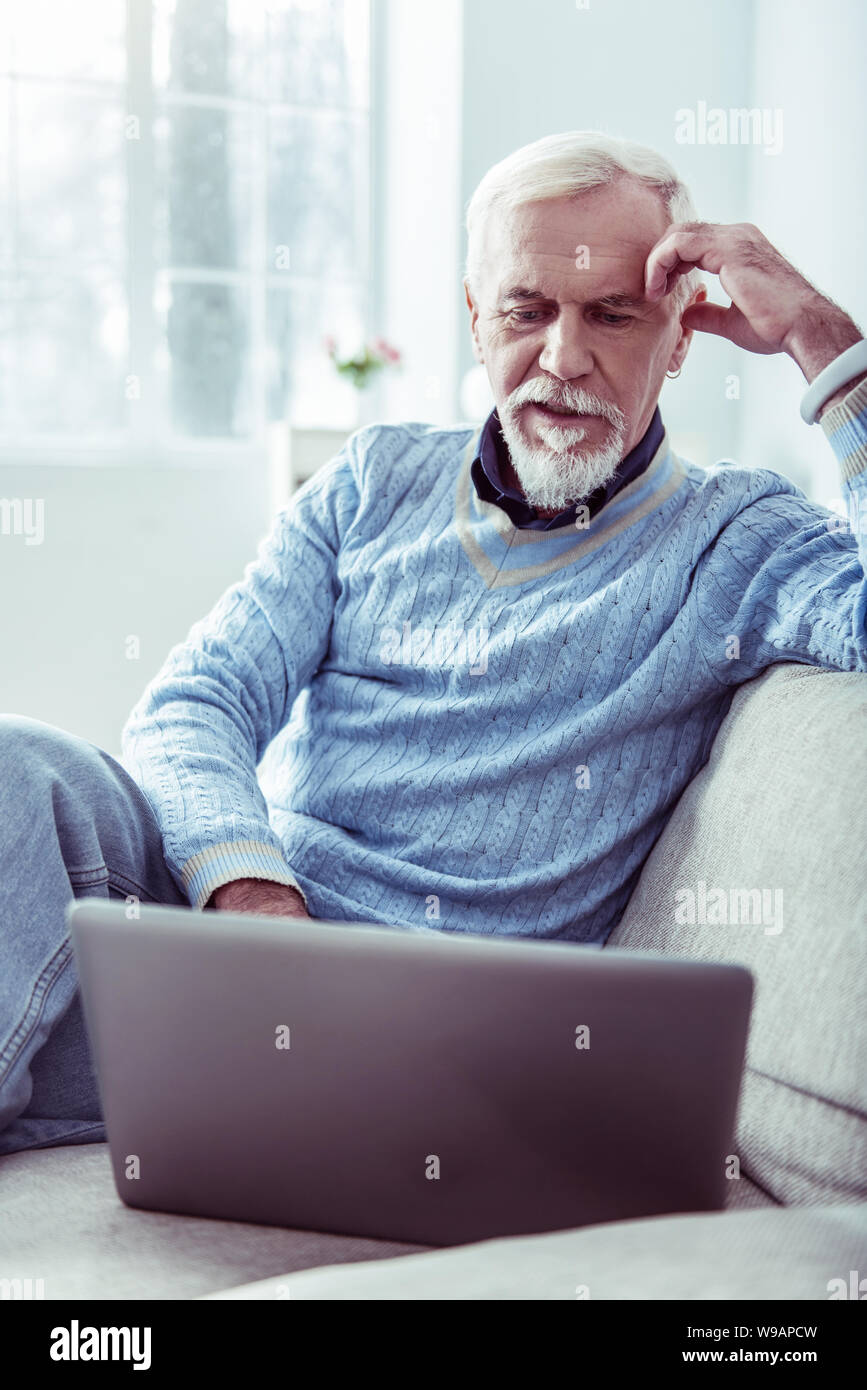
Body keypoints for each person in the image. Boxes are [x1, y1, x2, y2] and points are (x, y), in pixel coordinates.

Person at [2, 131, 865, 1154]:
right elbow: (198, 701)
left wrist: (827, 345)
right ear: (475, 318)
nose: (562, 357)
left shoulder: (740, 539)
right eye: (526, 310)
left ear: (681, 334)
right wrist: (257, 903)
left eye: (613, 315)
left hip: (413, 1029)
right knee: (24, 768)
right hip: (233, 933)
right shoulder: (374, 480)